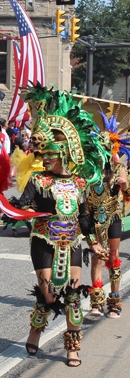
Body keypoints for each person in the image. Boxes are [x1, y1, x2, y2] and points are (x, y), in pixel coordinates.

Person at [20, 86, 107, 367]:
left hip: (72, 243)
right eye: (42, 154)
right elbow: (22, 207)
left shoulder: (79, 183)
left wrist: (93, 242)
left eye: (49, 155)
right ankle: (36, 330)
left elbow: (84, 218)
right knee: (48, 292)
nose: (44, 159)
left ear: (64, 155)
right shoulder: (37, 181)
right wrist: (28, 213)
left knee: (71, 294)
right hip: (43, 241)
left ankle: (73, 346)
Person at [87, 111, 130, 318]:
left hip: (113, 218)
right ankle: (96, 302)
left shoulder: (119, 166)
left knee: (113, 260)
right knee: (97, 258)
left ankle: (114, 301)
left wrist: (125, 185)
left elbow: (129, 195)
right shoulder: (90, 168)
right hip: (95, 219)